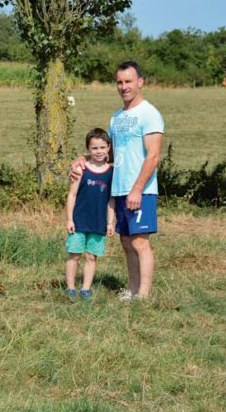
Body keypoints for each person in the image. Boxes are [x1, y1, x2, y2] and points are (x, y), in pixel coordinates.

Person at [71, 61, 164, 301]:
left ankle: (143, 295)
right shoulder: (116, 118)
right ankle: (132, 289)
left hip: (140, 190)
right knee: (125, 242)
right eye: (120, 82)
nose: (124, 87)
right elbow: (108, 154)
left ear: (140, 82)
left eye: (129, 81)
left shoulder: (149, 114)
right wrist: (82, 159)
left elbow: (153, 156)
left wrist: (137, 189)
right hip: (119, 189)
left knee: (140, 242)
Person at [64, 128, 115, 302]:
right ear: (87, 149)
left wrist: (110, 223)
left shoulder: (112, 173)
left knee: (91, 256)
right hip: (78, 221)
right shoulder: (81, 169)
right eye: (94, 148)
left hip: (98, 223)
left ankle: (86, 289)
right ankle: (70, 288)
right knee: (74, 254)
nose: (98, 151)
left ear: (108, 147)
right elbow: (72, 195)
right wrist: (70, 219)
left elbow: (111, 201)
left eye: (102, 147)